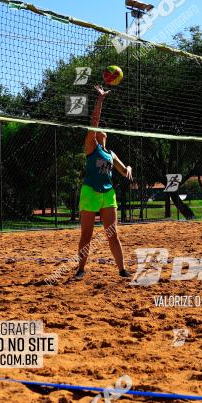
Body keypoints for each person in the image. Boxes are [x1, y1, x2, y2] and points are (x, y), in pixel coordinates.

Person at [76, 85, 132, 278]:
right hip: (90, 192)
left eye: (103, 130)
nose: (102, 131)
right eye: (99, 129)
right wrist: (100, 99)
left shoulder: (110, 154)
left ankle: (122, 270)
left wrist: (129, 169)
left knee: (112, 234)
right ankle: (81, 269)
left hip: (108, 194)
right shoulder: (92, 146)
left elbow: (124, 171)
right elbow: (94, 121)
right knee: (87, 235)